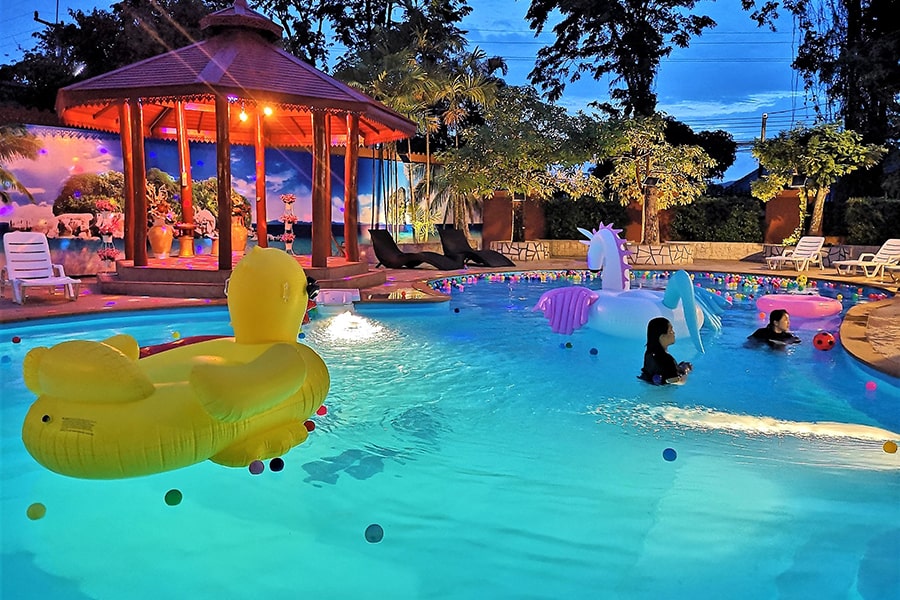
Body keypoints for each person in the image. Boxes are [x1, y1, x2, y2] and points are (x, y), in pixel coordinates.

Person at [638, 317, 693, 385]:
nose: (674, 333)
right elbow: (679, 382)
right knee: (688, 366)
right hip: (665, 390)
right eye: (670, 331)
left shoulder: (648, 354)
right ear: (662, 337)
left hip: (650, 384)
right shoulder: (668, 360)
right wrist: (686, 372)